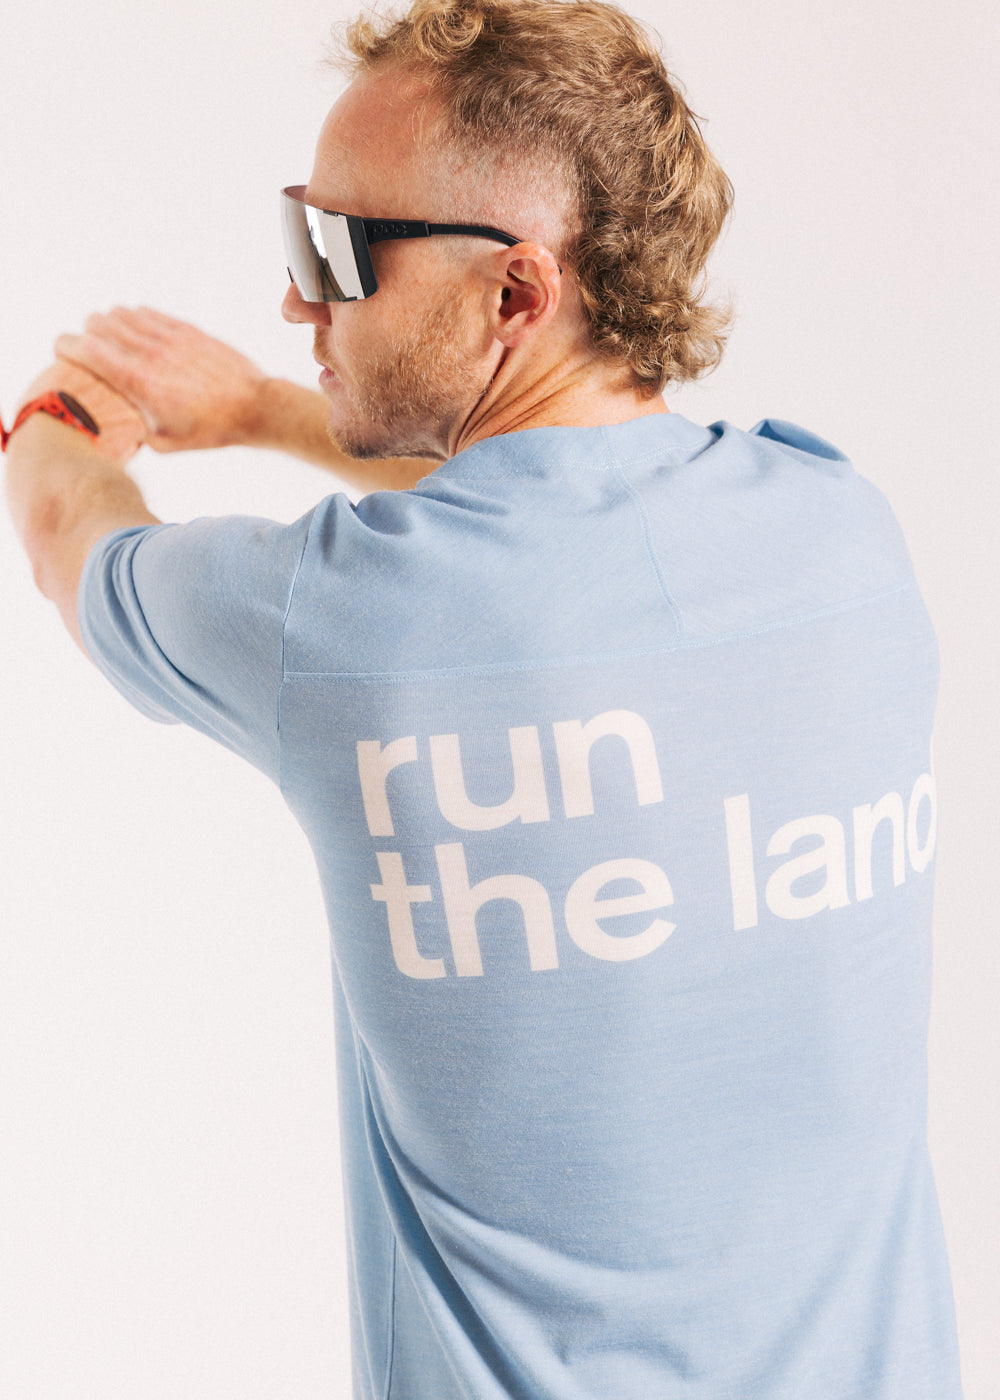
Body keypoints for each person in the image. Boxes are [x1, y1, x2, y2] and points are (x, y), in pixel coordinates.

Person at [2, 0, 964, 1396]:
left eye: (334, 254)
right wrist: (285, 409)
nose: (296, 300)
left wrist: (62, 415)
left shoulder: (328, 622)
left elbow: (67, 540)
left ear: (517, 293)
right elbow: (531, 562)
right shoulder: (845, 536)